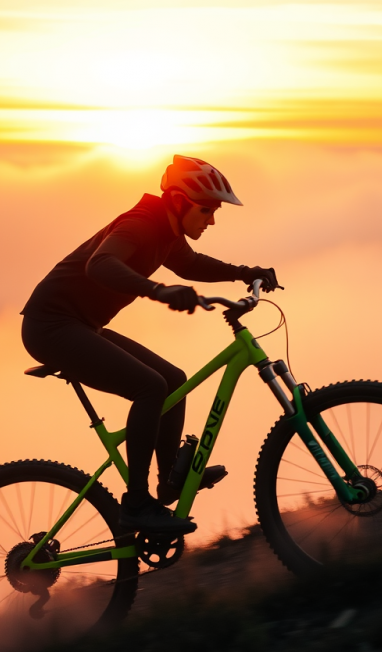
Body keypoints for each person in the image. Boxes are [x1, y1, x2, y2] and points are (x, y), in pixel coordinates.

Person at [20, 155, 278, 535]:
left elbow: (190, 266)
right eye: (206, 210)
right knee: (150, 386)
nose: (211, 220)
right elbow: (100, 264)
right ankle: (136, 504)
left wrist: (245, 273)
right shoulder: (140, 225)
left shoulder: (167, 232)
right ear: (177, 201)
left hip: (80, 325)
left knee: (173, 379)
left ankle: (169, 480)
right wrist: (158, 290)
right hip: (51, 327)